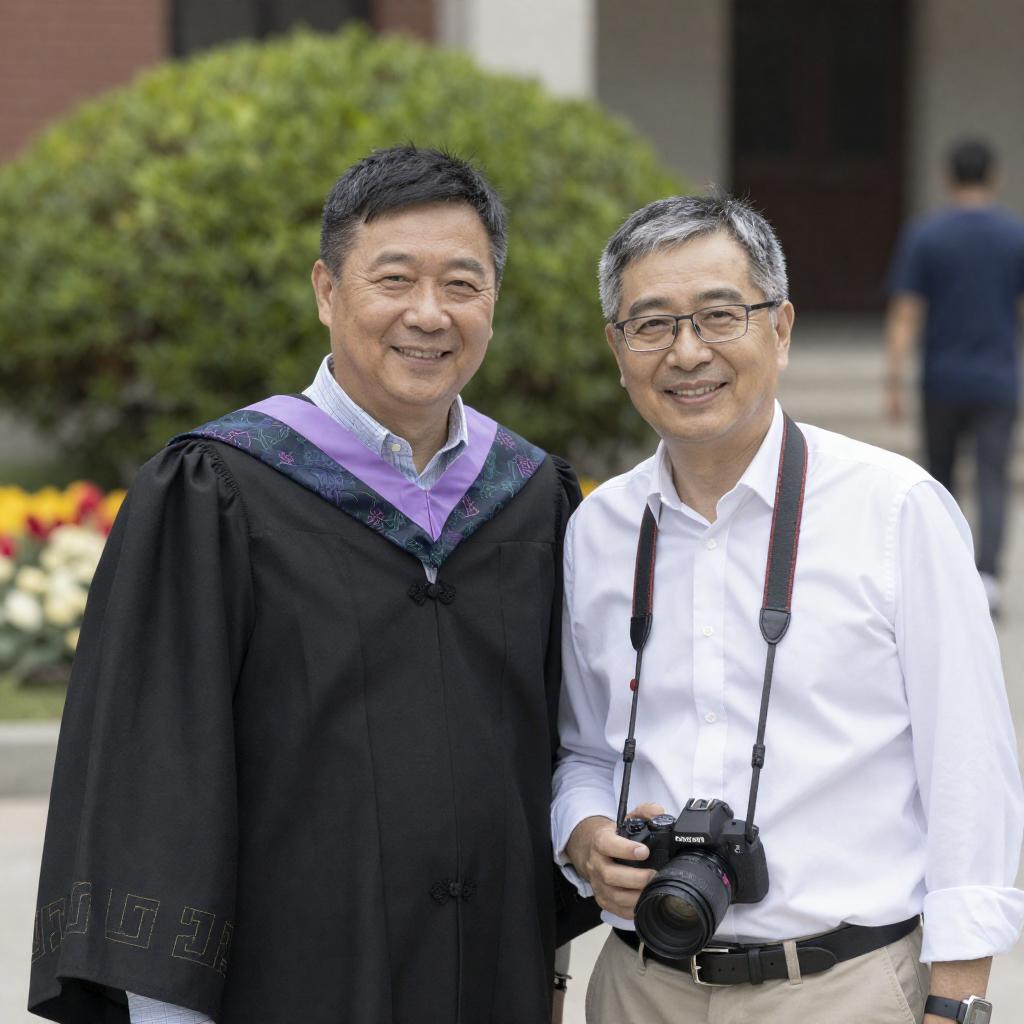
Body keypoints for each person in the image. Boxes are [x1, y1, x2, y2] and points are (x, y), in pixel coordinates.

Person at [29, 145, 592, 1024]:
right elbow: (153, 777)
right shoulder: (216, 490)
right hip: (286, 983)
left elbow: (555, 752)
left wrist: (549, 973)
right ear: (327, 291)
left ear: (494, 301)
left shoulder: (530, 496)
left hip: (488, 981)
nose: (429, 314)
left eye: (462, 284)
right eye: (394, 279)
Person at [551, 193, 1024, 1024]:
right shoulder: (599, 528)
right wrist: (585, 833)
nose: (687, 351)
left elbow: (969, 773)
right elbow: (584, 748)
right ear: (617, 350)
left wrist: (958, 1003)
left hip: (842, 988)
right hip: (638, 988)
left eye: (719, 315)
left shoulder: (896, 510)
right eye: (652, 324)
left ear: (781, 327)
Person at [885, 140, 1024, 617]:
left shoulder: (926, 235)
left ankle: (947, 573)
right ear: (995, 176)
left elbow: (906, 312)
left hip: (941, 379)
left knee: (940, 480)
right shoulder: (1014, 235)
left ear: (948, 177)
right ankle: (989, 578)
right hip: (997, 378)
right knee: (993, 478)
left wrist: (894, 379)